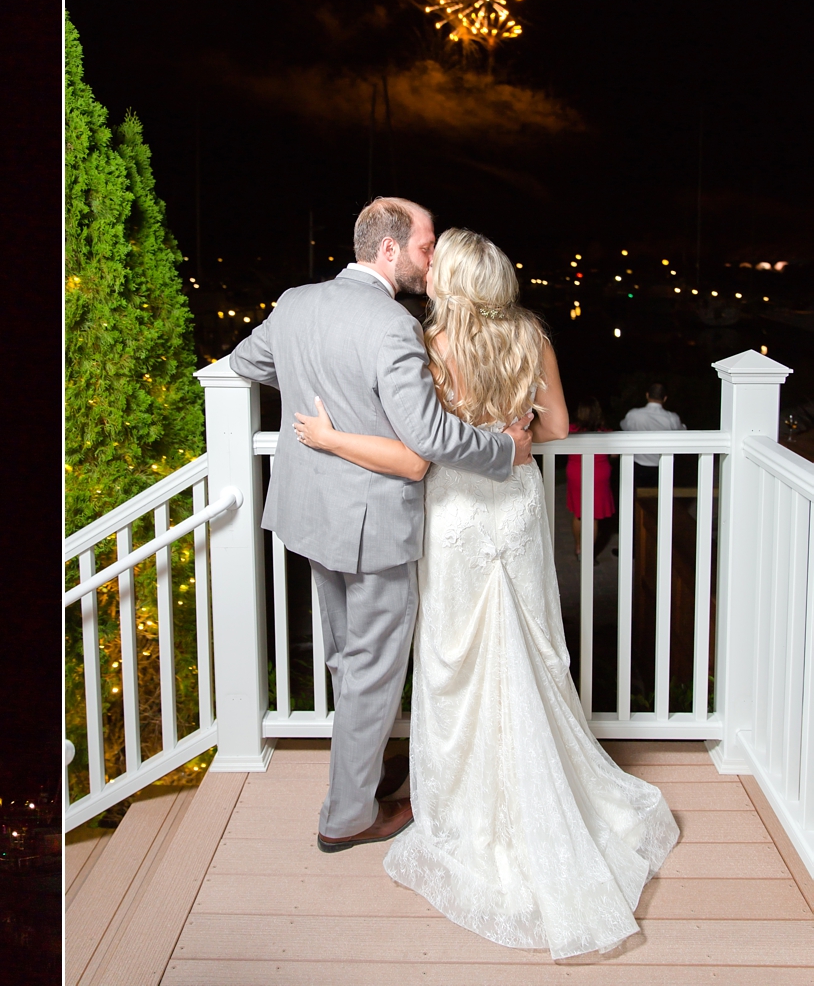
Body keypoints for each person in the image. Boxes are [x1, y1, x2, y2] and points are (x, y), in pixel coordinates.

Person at [292, 228, 678, 960]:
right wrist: (518, 426)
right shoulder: (532, 334)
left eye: (439, 265)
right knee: (529, 639)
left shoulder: (430, 343)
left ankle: (463, 802)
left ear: (457, 282)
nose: (428, 271)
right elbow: (561, 426)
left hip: (460, 509)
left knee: (455, 655)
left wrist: (335, 434)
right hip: (518, 503)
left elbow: (421, 442)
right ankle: (547, 792)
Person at [227, 198, 533, 855]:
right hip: (370, 525)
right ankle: (347, 816)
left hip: (309, 513)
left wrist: (318, 383)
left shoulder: (295, 303)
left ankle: (360, 774)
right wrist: (504, 448)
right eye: (425, 245)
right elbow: (426, 435)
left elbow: (245, 364)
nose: (431, 256)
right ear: (389, 250)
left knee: (347, 658)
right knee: (372, 666)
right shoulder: (393, 326)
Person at [567, 397, 616, 558]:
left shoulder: (570, 430)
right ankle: (588, 554)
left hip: (576, 472)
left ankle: (579, 547)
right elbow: (614, 454)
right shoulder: (605, 433)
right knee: (593, 516)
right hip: (599, 473)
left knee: (579, 513)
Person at [619, 382, 686, 490]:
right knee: (662, 498)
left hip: (638, 465)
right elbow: (682, 433)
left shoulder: (634, 415)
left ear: (647, 395)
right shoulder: (671, 418)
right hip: (663, 465)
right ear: (664, 398)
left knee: (637, 500)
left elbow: (624, 426)